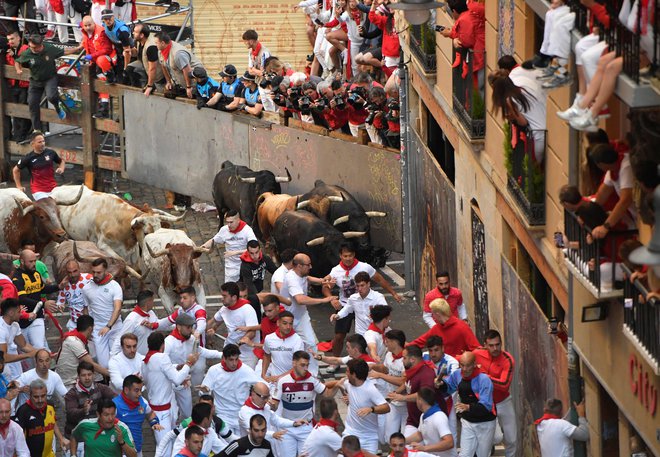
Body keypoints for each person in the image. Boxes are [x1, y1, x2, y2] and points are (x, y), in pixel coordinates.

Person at [325, 244, 400, 368]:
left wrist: (393, 293)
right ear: (340, 256)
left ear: (369, 284)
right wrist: (336, 313)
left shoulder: (377, 297)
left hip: (374, 330)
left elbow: (381, 281)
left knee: (378, 351)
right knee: (342, 339)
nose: (359, 289)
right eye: (357, 286)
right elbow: (346, 309)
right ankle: (337, 363)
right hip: (355, 322)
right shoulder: (352, 297)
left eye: (362, 286)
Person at [271, 351, 340, 455]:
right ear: (294, 363)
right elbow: (274, 405)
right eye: (302, 365)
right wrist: (269, 404)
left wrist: (338, 384)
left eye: (307, 365)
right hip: (287, 427)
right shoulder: (282, 381)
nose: (306, 368)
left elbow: (328, 394)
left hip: (305, 428)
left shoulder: (312, 380)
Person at [142, 331, 199, 443]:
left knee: (168, 445)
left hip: (162, 409)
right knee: (165, 449)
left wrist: (179, 366)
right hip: (162, 413)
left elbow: (161, 373)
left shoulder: (145, 361)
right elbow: (177, 380)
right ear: (163, 345)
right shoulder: (162, 358)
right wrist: (189, 363)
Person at [164, 313, 222, 418]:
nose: (191, 330)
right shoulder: (168, 342)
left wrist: (222, 354)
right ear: (178, 327)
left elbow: (203, 352)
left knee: (187, 414)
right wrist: (178, 366)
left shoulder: (191, 339)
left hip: (184, 382)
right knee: (171, 415)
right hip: (169, 384)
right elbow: (163, 363)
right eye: (188, 327)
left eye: (192, 327)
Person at [439, 352, 497, 457]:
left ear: (474, 364)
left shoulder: (484, 379)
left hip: (486, 423)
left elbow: (487, 406)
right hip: (467, 421)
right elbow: (449, 388)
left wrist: (468, 407)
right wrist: (441, 384)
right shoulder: (457, 374)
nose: (464, 369)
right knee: (465, 455)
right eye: (462, 365)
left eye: (468, 365)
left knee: (482, 455)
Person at [198, 344, 262, 435]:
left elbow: (261, 385)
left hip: (242, 414)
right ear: (224, 358)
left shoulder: (246, 370)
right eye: (231, 360)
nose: (234, 363)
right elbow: (204, 394)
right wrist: (204, 391)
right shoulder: (214, 370)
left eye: (236, 359)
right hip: (223, 415)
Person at [473, 330, 516, 457]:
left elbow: (504, 385)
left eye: (497, 344)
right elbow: (463, 362)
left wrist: (485, 378)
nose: (495, 348)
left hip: (503, 402)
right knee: (495, 438)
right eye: (491, 345)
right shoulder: (476, 354)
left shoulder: (507, 359)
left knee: (512, 439)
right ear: (485, 345)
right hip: (485, 402)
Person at [280, 253, 337, 346]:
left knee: (310, 343)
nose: (311, 267)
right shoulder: (291, 278)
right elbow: (300, 300)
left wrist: (322, 281)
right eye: (308, 265)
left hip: (301, 315)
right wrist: (324, 300)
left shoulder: (301, 274)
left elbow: (308, 279)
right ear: (299, 266)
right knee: (287, 345)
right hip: (287, 318)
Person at [65, 15, 115, 118]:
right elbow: (82, 26)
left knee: (103, 78)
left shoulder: (101, 32)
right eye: (85, 26)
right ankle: (103, 109)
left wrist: (91, 56)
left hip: (106, 60)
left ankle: (111, 75)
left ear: (94, 23)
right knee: (101, 85)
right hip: (95, 63)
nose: (87, 27)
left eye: (89, 25)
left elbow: (107, 50)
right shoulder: (85, 31)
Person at [14, 34, 68, 128]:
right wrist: (18, 69)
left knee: (51, 96)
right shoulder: (27, 53)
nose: (33, 49)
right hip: (35, 81)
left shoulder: (49, 48)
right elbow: (17, 61)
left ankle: (58, 108)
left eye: (35, 47)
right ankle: (37, 129)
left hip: (49, 78)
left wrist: (79, 48)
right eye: (31, 47)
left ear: (41, 45)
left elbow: (64, 51)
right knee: (32, 103)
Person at [389, 345, 443, 436]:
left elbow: (424, 394)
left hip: (428, 420)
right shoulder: (412, 370)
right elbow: (407, 384)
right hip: (413, 421)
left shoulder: (426, 374)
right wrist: (395, 393)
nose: (402, 360)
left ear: (412, 359)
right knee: (406, 446)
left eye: (404, 358)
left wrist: (402, 397)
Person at [341, 358, 390, 453]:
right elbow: (337, 384)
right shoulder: (348, 383)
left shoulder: (370, 389)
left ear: (354, 375)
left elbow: (386, 407)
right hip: (350, 432)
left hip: (369, 438)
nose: (346, 374)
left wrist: (371, 409)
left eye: (347, 371)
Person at [12, 249, 58, 349]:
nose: (34, 264)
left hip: (37, 317)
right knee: (29, 352)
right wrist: (43, 303)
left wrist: (59, 286)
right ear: (22, 262)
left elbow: (42, 289)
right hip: (22, 319)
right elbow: (22, 299)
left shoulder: (37, 274)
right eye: (31, 261)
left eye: (35, 261)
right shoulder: (17, 277)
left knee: (38, 347)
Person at [82, 258, 123, 367]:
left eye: (99, 272)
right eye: (93, 272)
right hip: (97, 330)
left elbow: (117, 309)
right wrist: (88, 328)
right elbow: (85, 308)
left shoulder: (115, 286)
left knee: (117, 362)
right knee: (103, 364)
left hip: (115, 328)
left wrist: (108, 326)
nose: (95, 275)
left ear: (105, 270)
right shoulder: (86, 288)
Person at [208, 282, 259, 367]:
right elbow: (216, 322)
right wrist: (213, 329)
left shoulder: (248, 309)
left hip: (247, 355)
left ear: (234, 297)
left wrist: (238, 344)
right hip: (229, 351)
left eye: (224, 296)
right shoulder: (224, 309)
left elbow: (252, 333)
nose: (222, 298)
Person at [369, 329, 407, 441]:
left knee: (407, 439)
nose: (386, 343)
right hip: (393, 402)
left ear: (395, 342)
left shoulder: (407, 359)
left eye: (388, 341)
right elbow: (385, 369)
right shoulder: (389, 355)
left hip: (406, 405)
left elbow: (403, 381)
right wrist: (373, 366)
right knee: (390, 437)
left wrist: (380, 375)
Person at [410, 298, 479, 359]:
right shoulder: (437, 328)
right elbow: (420, 342)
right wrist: (404, 348)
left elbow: (476, 349)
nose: (433, 317)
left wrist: (461, 358)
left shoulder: (462, 327)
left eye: (433, 314)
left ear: (438, 314)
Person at [14, 379, 68, 456]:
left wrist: (61, 438)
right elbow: (17, 437)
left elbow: (53, 422)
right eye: (36, 397)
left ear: (46, 394)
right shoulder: (23, 411)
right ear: (30, 395)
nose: (40, 400)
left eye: (43, 396)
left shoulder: (50, 405)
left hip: (49, 454)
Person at [113, 374, 163, 457]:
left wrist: (154, 423)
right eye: (136, 390)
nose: (140, 393)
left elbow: (150, 414)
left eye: (140, 390)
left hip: (137, 448)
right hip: (120, 451)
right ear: (126, 390)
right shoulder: (115, 405)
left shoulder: (143, 403)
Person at [202, 210, 257, 283]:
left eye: (231, 222)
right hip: (231, 266)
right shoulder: (224, 230)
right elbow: (214, 241)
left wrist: (235, 253)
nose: (229, 225)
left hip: (246, 264)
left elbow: (254, 249)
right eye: (227, 222)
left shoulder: (247, 231)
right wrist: (201, 247)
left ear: (238, 220)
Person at [70, 397, 137, 457]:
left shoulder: (122, 428)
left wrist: (122, 442)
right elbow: (73, 436)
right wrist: (73, 455)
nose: (110, 418)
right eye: (106, 415)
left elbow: (134, 455)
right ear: (98, 414)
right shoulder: (85, 425)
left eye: (113, 414)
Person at [63, 361, 115, 437]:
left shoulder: (101, 388)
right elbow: (71, 414)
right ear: (78, 376)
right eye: (83, 375)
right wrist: (83, 410)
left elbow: (115, 398)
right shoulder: (71, 394)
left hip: (95, 434)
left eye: (89, 374)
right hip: (76, 437)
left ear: (94, 375)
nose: (87, 378)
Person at [56, 315, 109, 389]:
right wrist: (111, 374)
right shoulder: (74, 341)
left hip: (73, 379)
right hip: (68, 384)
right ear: (90, 329)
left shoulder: (74, 338)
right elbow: (91, 364)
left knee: (98, 377)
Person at [238, 381, 303, 439]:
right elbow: (254, 432)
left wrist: (293, 423)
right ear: (253, 394)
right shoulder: (245, 412)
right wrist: (272, 434)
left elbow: (276, 420)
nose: (266, 400)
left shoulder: (266, 407)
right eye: (264, 397)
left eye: (268, 397)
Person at [423, 336, 459, 438]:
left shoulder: (452, 363)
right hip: (429, 400)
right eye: (430, 350)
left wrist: (442, 383)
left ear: (443, 348)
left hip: (447, 400)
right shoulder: (424, 357)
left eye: (436, 350)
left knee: (451, 431)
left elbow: (453, 383)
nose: (433, 354)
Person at [405, 387, 456, 456]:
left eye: (416, 399)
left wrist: (424, 448)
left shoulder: (439, 417)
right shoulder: (423, 415)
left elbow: (449, 442)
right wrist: (402, 441)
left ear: (420, 400)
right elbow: (420, 435)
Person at [13, 133, 65, 199]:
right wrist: (19, 186)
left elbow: (61, 161)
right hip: (38, 190)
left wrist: (61, 168)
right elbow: (15, 170)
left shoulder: (51, 152)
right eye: (39, 142)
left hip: (53, 188)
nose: (43, 144)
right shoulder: (28, 158)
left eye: (43, 141)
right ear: (32, 144)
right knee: (48, 206)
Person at [154, 31, 202, 99]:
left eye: (156, 43)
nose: (155, 45)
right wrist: (168, 81)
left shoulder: (178, 54)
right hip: (180, 83)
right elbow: (163, 65)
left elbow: (187, 70)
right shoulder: (161, 51)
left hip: (194, 82)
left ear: (163, 43)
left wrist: (189, 87)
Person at [3, 31, 31, 143]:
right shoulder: (8, 49)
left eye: (12, 39)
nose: (10, 42)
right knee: (15, 111)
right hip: (13, 84)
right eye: (9, 39)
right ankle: (18, 135)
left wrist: (14, 56)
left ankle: (21, 135)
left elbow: (24, 62)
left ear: (19, 38)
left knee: (23, 110)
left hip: (24, 85)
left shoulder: (25, 48)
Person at [261, 310, 304, 383]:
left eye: (291, 324)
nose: (288, 327)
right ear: (278, 323)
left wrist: (280, 378)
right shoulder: (269, 338)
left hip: (292, 381)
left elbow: (298, 365)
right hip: (274, 381)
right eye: (285, 323)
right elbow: (266, 355)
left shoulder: (297, 340)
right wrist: (263, 374)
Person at [111, 290, 157, 356]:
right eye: (152, 300)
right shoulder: (131, 319)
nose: (153, 303)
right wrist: (113, 358)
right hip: (137, 360)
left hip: (150, 358)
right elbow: (120, 338)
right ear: (148, 302)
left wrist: (174, 319)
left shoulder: (151, 313)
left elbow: (159, 324)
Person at [0, 298, 37, 381]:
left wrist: (40, 353)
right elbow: (3, 357)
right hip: (4, 370)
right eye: (19, 312)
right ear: (11, 313)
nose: (21, 314)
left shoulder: (15, 325)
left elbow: (24, 345)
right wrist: (27, 355)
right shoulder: (1, 329)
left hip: (15, 366)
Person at [125, 23, 165, 95]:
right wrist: (130, 51)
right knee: (130, 69)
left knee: (160, 94)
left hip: (158, 74)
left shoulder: (151, 47)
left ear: (142, 35)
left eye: (136, 32)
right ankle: (137, 90)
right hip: (144, 64)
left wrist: (150, 85)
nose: (133, 33)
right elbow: (138, 54)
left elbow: (153, 68)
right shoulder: (139, 40)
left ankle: (150, 85)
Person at [56, 260, 92, 331]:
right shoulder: (64, 284)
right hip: (74, 323)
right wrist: (60, 306)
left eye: (75, 271)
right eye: (69, 272)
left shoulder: (89, 278)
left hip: (90, 323)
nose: (72, 275)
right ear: (66, 272)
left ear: (79, 269)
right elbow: (60, 302)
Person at [99, 9, 132, 81]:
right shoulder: (104, 25)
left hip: (127, 47)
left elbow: (128, 52)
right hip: (116, 47)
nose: (108, 21)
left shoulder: (122, 31)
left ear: (113, 17)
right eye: (105, 19)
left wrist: (126, 69)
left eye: (109, 18)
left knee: (125, 71)